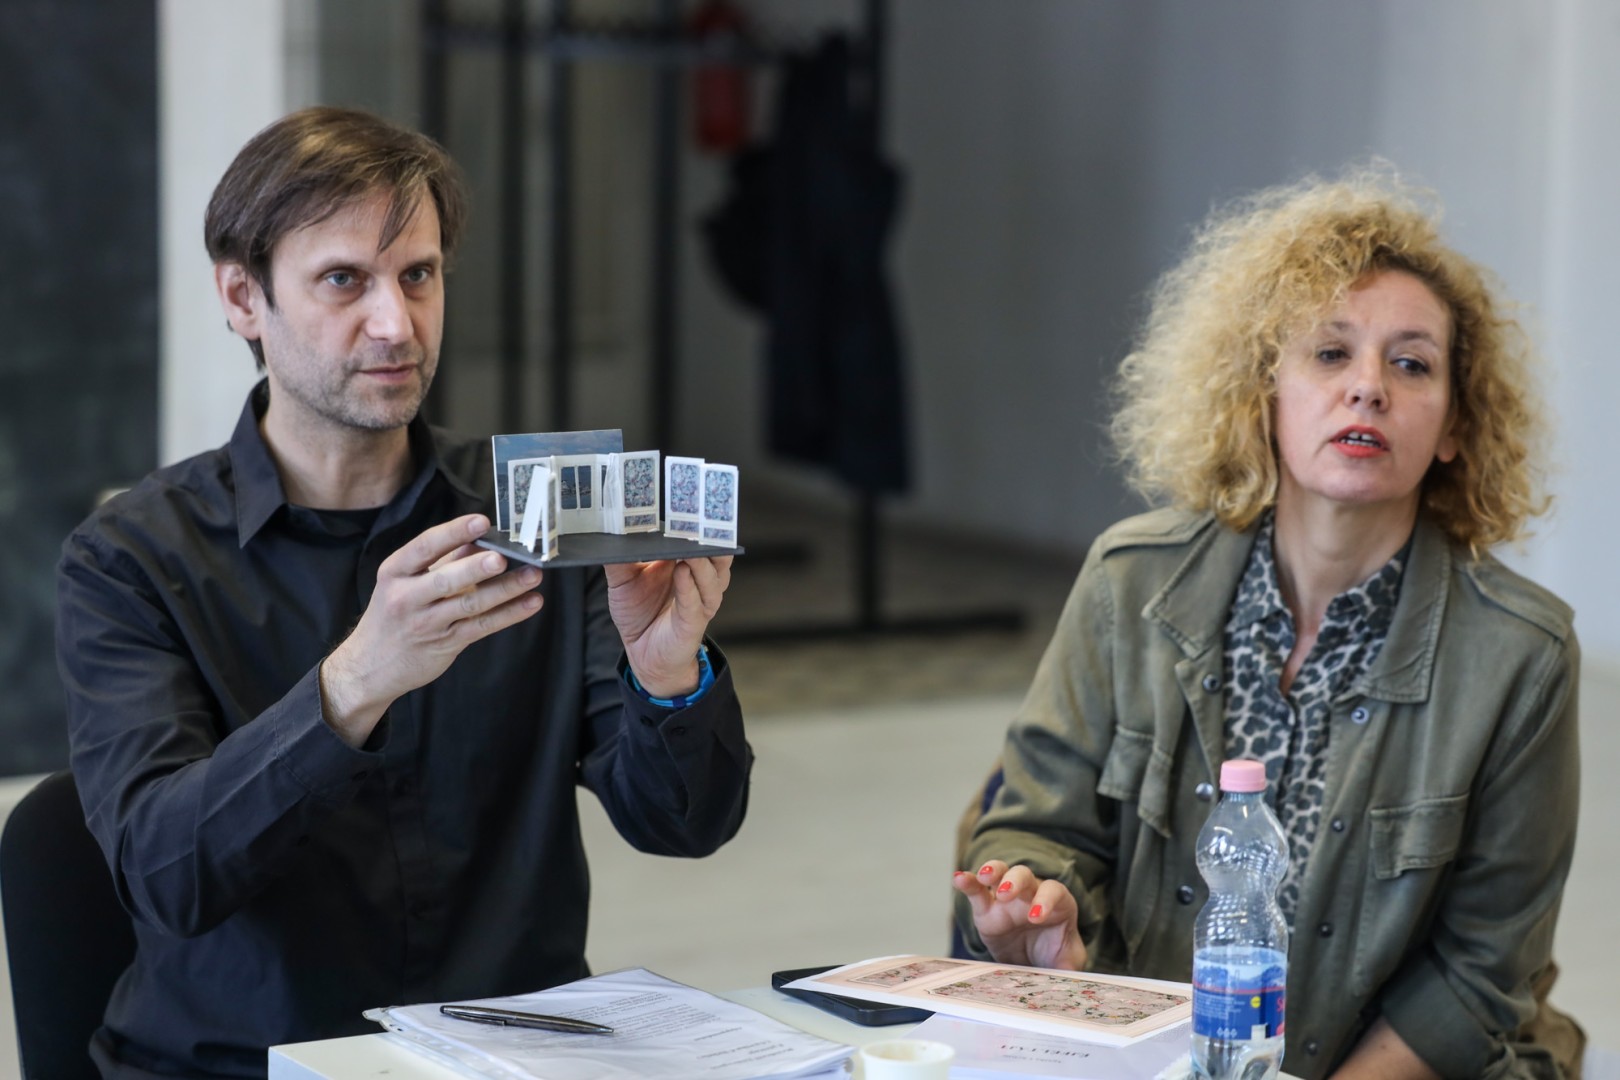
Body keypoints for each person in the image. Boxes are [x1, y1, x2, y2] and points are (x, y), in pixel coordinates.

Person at [57, 106, 752, 1078]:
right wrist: (354, 684)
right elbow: (166, 876)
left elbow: (686, 826)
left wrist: (668, 676)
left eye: (418, 276)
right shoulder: (130, 559)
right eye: (344, 280)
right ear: (243, 297)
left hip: (509, 1057)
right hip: (239, 1064)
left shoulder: (532, 520)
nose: (395, 324)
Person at [951, 170, 1582, 1080]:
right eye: (1330, 353)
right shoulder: (1131, 579)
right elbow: (1037, 827)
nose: (1367, 388)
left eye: (1411, 364)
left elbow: (1480, 976)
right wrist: (1035, 907)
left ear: (1455, 425)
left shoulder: (1522, 653)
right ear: (1264, 392)